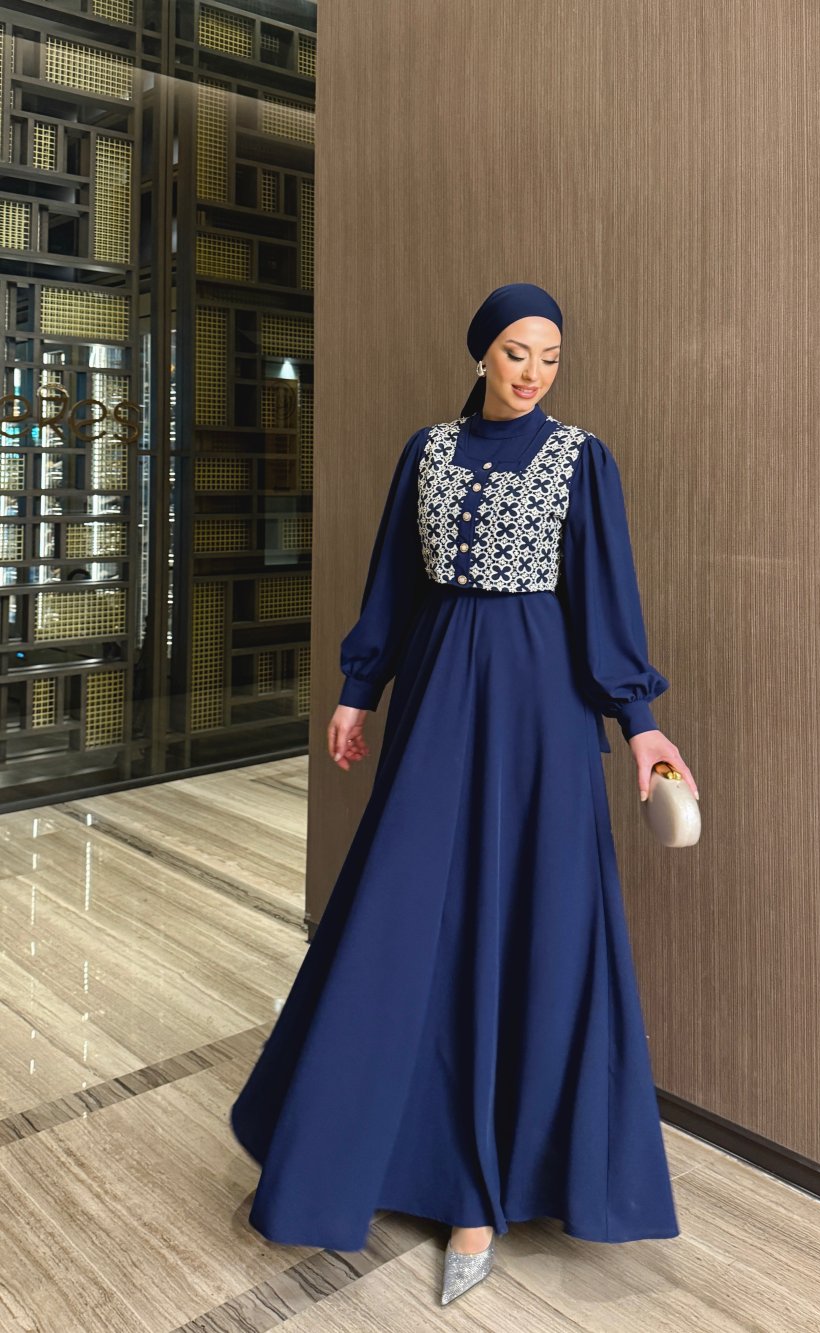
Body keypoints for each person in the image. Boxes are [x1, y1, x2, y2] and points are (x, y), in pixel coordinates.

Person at [229, 282, 699, 1307]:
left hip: (542, 716)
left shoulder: (581, 459)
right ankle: (369, 1153)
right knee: (406, 920)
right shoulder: (427, 453)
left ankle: (485, 1191)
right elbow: (394, 583)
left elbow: (605, 599)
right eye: (518, 351)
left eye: (551, 357)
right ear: (482, 351)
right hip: (440, 699)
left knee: (530, 922)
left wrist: (641, 724)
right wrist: (359, 690)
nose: (534, 373)